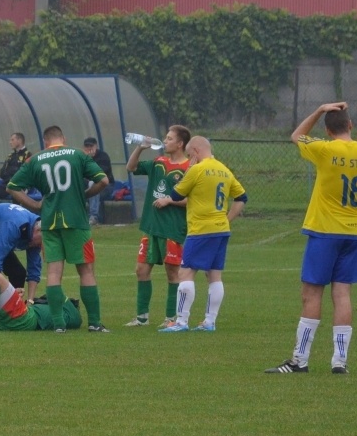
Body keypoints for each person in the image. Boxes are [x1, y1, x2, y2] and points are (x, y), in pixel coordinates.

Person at [265, 102, 357, 375]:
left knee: (311, 294)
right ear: (350, 125)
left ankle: (299, 360)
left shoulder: (324, 149)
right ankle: (339, 361)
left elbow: (296, 135)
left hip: (324, 232)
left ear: (327, 128)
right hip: (352, 233)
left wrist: (319, 109)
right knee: (343, 294)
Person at [7, 125, 110, 333]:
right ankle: (95, 323)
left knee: (54, 272)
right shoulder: (77, 155)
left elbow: (12, 187)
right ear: (63, 138)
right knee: (86, 270)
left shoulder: (36, 159)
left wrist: (35, 205)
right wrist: (86, 195)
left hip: (49, 222)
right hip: (77, 221)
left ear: (46, 142)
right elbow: (104, 181)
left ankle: (58, 324)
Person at [159, 136, 247, 333]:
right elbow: (242, 197)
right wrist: (227, 219)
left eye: (191, 155)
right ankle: (209, 322)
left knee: (185, 272)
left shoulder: (197, 170)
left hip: (201, 229)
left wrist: (189, 169)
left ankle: (181, 322)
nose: (191, 158)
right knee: (214, 275)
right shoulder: (224, 169)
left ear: (196, 152)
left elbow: (175, 195)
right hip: (221, 229)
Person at [124, 125, 191, 327]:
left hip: (172, 228)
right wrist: (141, 147)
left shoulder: (189, 168)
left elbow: (192, 199)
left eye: (170, 138)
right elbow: (131, 168)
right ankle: (142, 317)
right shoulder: (158, 162)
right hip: (151, 226)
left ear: (180, 144)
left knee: (173, 273)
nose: (165, 141)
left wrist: (170, 200)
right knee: (141, 270)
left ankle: (171, 318)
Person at [0, 132, 32, 207]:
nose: (10, 142)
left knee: (16, 197)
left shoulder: (28, 155)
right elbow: (2, 172)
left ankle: (16, 217)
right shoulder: (10, 156)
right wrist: (10, 177)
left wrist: (13, 176)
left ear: (19, 140)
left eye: (12, 140)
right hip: (7, 184)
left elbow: (26, 172)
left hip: (20, 185)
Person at [83, 137, 115, 225]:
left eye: (91, 146)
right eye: (87, 146)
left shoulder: (103, 156)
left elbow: (98, 175)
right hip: (87, 187)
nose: (89, 148)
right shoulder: (81, 157)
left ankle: (93, 217)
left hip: (106, 187)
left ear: (96, 146)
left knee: (94, 184)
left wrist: (89, 160)